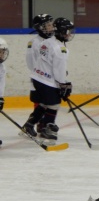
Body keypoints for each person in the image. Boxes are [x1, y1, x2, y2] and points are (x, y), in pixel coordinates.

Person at [21, 17, 75, 145]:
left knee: (44, 104)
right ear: (62, 32)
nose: (70, 34)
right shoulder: (61, 49)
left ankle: (29, 125)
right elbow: (58, 70)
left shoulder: (47, 42)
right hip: (47, 81)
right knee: (54, 104)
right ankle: (47, 127)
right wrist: (63, 84)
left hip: (37, 78)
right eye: (68, 31)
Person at [25, 14, 54, 134]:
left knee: (49, 102)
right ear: (40, 27)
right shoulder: (34, 42)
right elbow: (31, 63)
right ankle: (38, 124)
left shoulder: (53, 40)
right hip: (39, 78)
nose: (51, 27)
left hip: (51, 78)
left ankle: (41, 124)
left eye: (51, 24)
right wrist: (41, 75)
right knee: (40, 102)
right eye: (47, 25)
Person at [0, 38, 9, 146]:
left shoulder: (1, 67)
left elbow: (1, 83)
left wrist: (0, 97)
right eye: (0, 51)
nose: (2, 54)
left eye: (3, 51)